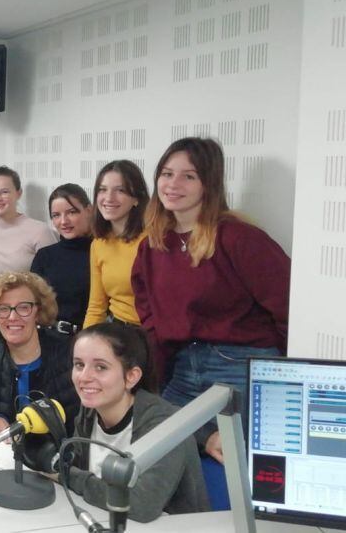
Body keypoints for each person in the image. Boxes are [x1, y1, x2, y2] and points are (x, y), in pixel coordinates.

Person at [132, 137, 290, 462]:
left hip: (238, 368)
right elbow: (151, 320)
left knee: (228, 464)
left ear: (209, 184)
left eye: (188, 176)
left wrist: (279, 385)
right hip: (182, 368)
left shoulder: (239, 238)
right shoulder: (152, 246)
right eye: (166, 173)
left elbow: (289, 306)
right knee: (157, 454)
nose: (173, 184)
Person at [62, 323, 209, 522]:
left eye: (100, 367)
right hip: (108, 520)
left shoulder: (164, 424)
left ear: (131, 377)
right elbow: (75, 467)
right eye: (79, 364)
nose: (84, 377)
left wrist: (61, 471)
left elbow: (141, 505)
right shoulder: (90, 409)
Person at [0, 271, 79, 438]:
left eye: (23, 308)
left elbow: (79, 420)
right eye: (4, 309)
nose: (13, 317)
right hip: (5, 455)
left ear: (38, 311)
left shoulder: (69, 355)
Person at [83, 160, 149, 328]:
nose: (109, 198)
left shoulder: (153, 239)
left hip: (151, 334)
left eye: (120, 190)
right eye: (102, 190)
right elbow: (97, 307)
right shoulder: (99, 244)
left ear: (136, 199)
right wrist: (83, 347)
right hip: (116, 331)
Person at [0, 166, 57, 280]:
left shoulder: (40, 231)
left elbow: (54, 273)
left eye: (4, 192)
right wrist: (0, 287)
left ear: (18, 193)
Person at [31, 183, 94, 332]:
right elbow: (33, 305)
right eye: (56, 215)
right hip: (50, 341)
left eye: (72, 212)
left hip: (93, 340)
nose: (64, 221)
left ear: (89, 211)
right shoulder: (44, 256)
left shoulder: (102, 252)